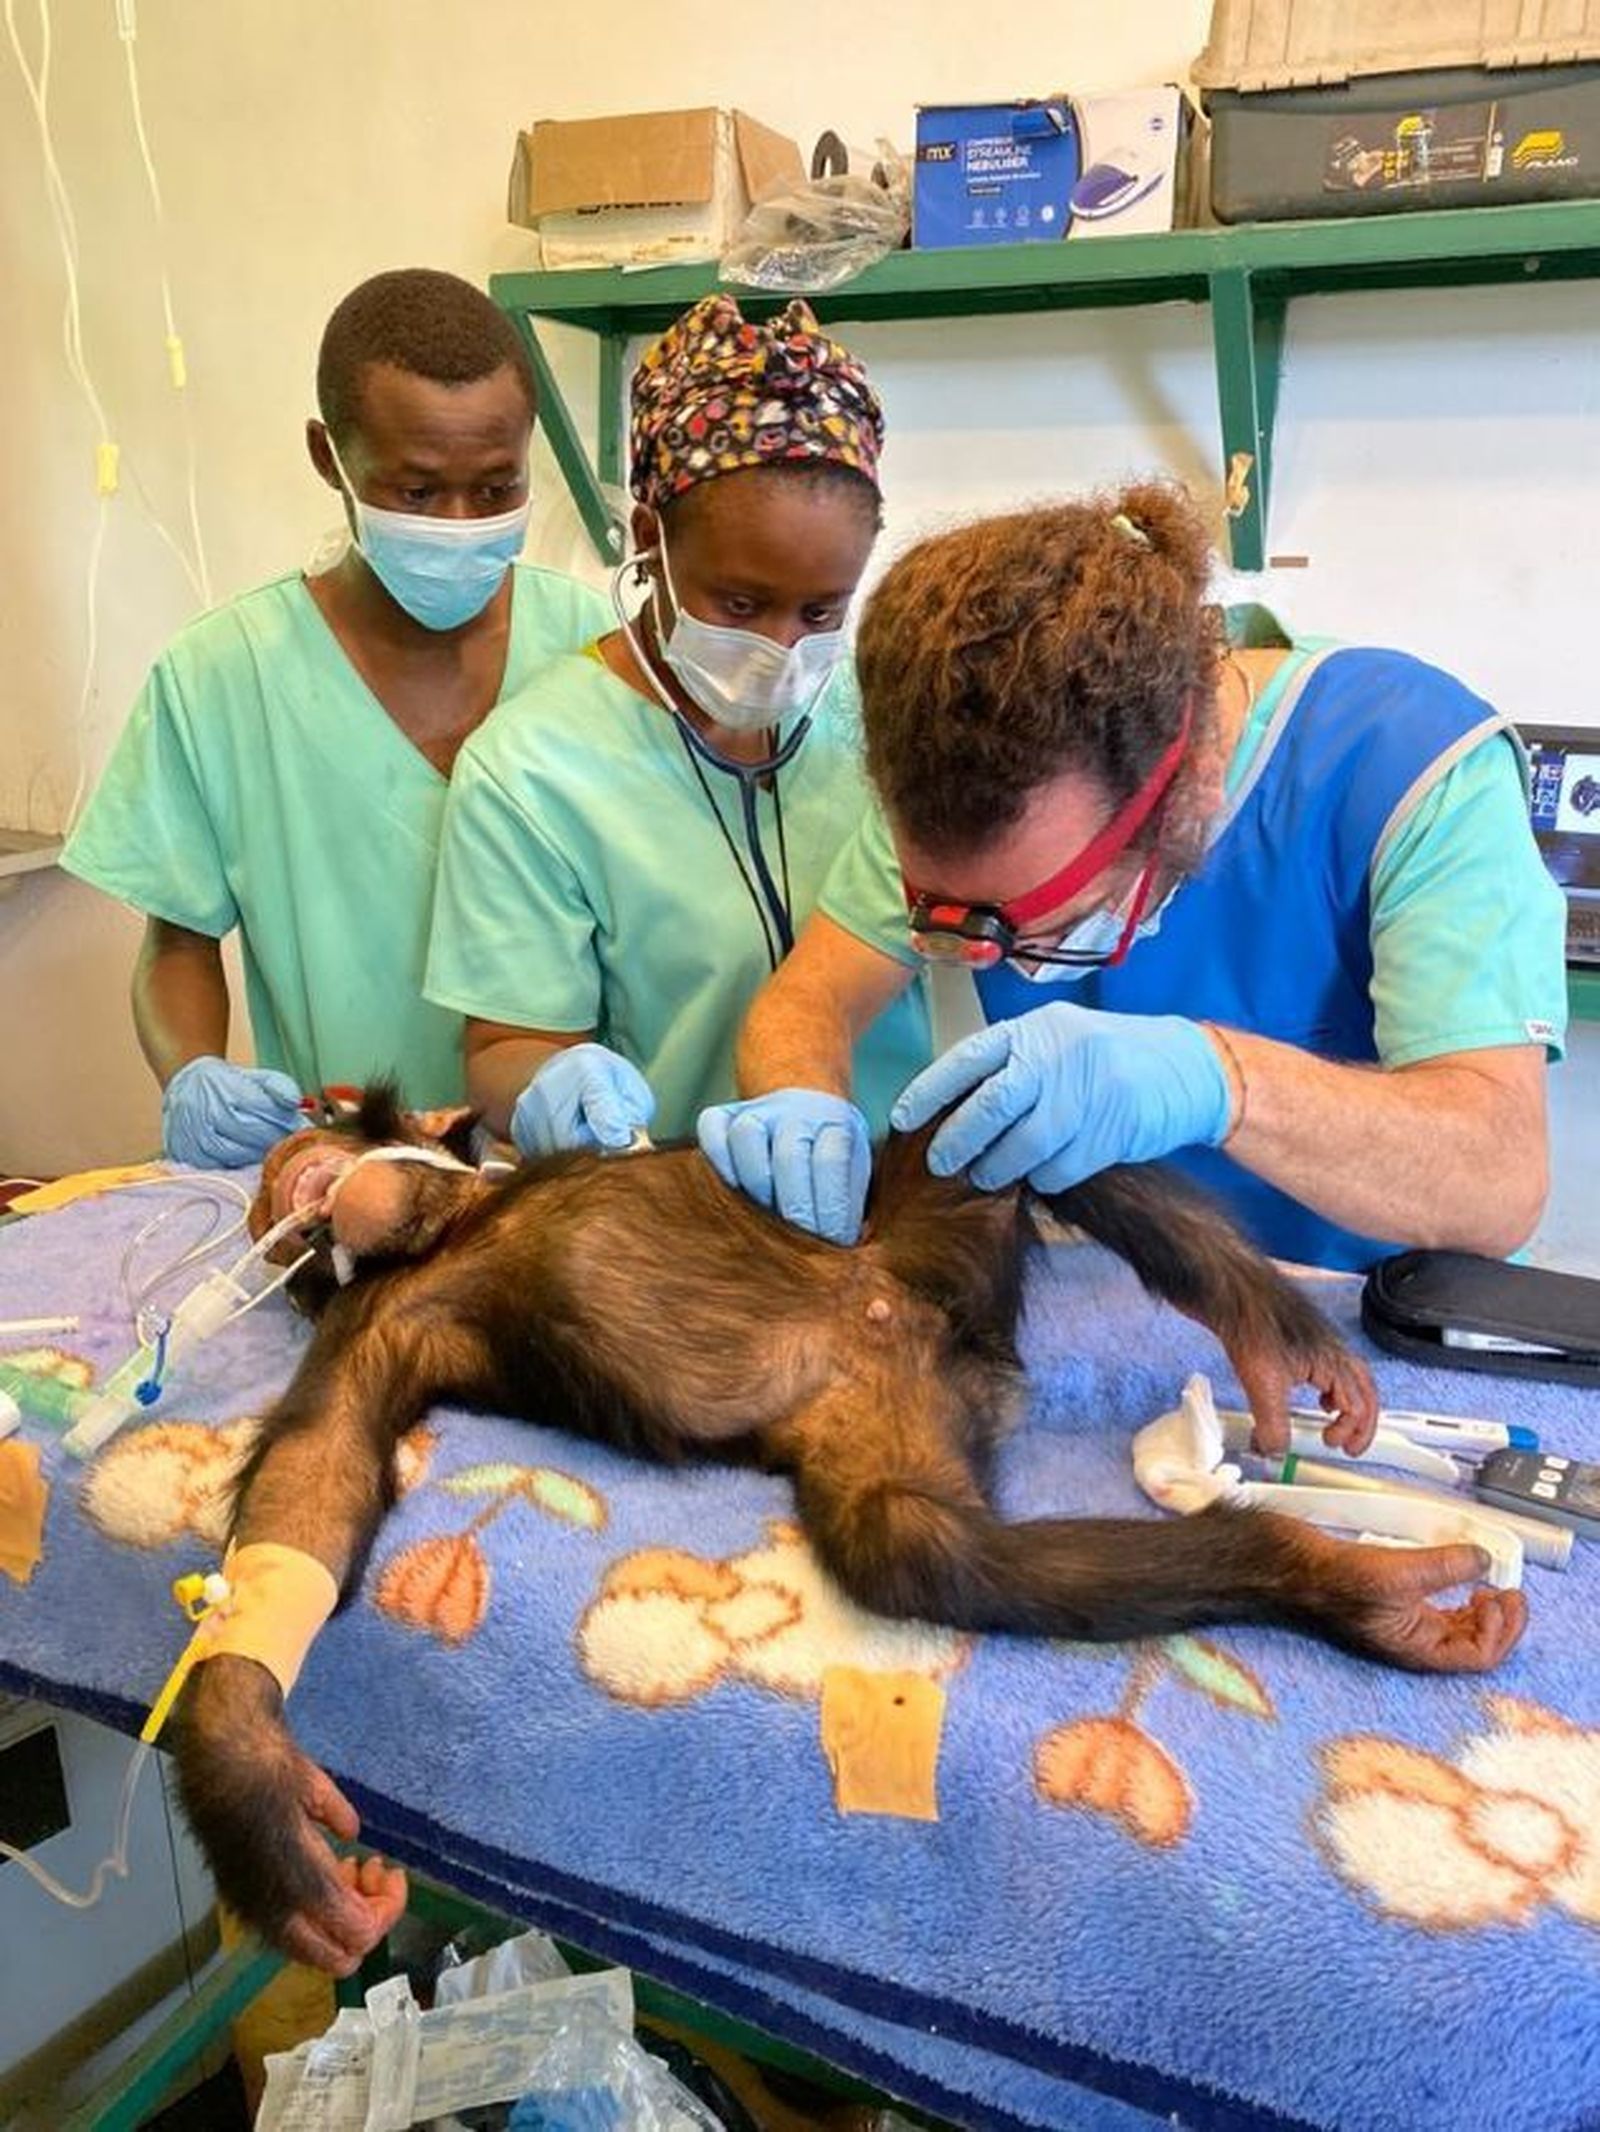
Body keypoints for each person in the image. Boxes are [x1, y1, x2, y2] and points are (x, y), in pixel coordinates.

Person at [706, 481, 1568, 1270]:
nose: (989, 953)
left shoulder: (1408, 767)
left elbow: (1497, 1180)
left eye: (1027, 922)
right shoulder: (956, 769)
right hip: (1113, 1288)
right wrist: (801, 1102)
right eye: (945, 917)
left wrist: (1219, 1082)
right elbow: (809, 1001)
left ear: (1187, 786)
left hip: (1361, 1315)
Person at [62, 267, 608, 1165]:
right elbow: (176, 943)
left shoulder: (594, 652)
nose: (462, 522)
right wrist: (194, 1071)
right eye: (418, 492)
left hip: (569, 1178)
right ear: (331, 459)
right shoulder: (221, 678)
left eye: (498, 488)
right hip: (354, 1177)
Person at [423, 294, 929, 1215]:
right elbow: (501, 1047)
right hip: (672, 1220)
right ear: (648, 538)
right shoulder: (533, 771)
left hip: (895, 1199)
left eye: (821, 612)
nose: (782, 646)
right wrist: (550, 1082)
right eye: (739, 605)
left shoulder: (885, 721)